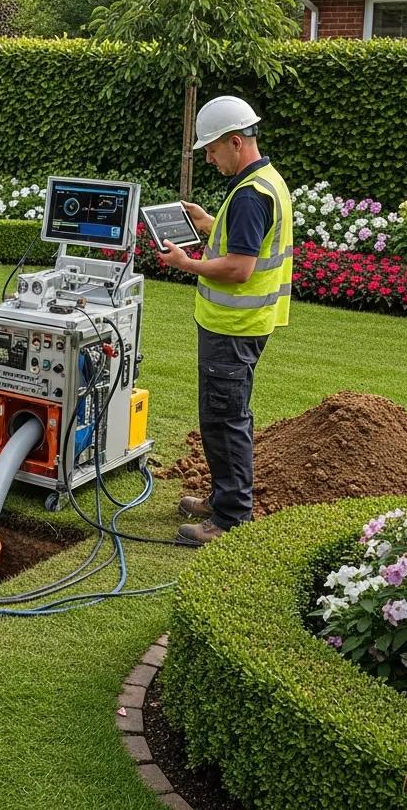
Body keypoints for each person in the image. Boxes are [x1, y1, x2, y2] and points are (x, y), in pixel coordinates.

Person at [157, 95, 293, 545]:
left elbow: (240, 267)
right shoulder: (265, 181)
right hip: (241, 326)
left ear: (236, 141)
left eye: (212, 150)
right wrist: (210, 222)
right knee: (223, 416)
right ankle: (223, 498)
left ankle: (230, 516)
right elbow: (246, 241)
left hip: (233, 330)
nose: (210, 158)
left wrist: (185, 263)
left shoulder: (252, 195)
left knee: (225, 419)